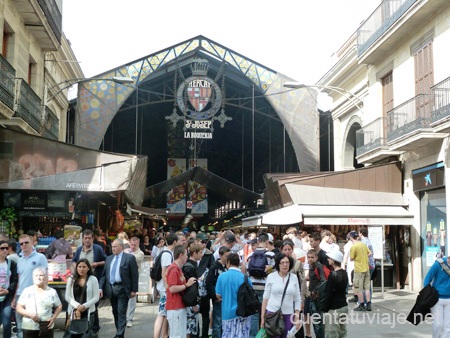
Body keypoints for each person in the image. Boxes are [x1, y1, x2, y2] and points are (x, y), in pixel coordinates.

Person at [99, 239, 139, 338]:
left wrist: (134, 290)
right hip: (111, 288)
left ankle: (120, 335)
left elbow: (134, 275)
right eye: (112, 247)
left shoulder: (129, 258)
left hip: (123, 288)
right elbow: (104, 275)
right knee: (115, 311)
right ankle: (119, 330)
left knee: (121, 311)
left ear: (121, 247)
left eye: (115, 246)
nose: (113, 248)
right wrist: (100, 288)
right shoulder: (109, 259)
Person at [71, 230, 107, 336]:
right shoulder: (79, 250)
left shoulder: (98, 249)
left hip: (93, 281)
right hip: (80, 281)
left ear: (92, 239)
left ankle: (94, 327)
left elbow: (106, 260)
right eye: (85, 238)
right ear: (82, 239)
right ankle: (81, 326)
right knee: (81, 302)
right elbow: (73, 260)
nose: (87, 240)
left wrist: (96, 264)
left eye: (89, 238)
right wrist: (75, 267)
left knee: (93, 304)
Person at [14, 234, 48, 338]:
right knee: (20, 326)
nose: (24, 245)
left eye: (26, 242)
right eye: (21, 244)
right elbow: (19, 279)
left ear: (32, 243)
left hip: (35, 295)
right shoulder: (19, 260)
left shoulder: (40, 257)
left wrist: (44, 293)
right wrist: (14, 297)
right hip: (20, 295)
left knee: (35, 326)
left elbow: (45, 276)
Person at [261, 253, 302, 338]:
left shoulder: (293, 277)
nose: (285, 265)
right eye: (282, 262)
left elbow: (297, 298)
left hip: (288, 314)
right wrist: (262, 317)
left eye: (287, 262)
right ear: (278, 264)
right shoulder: (271, 277)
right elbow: (265, 297)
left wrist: (297, 316)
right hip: (272, 314)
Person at [16, 267, 62, 338]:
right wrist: (30, 315)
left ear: (45, 277)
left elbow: (59, 306)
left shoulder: (51, 291)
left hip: (46, 326)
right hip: (29, 326)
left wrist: (54, 317)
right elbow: (19, 308)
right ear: (33, 277)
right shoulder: (27, 291)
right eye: (36, 276)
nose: (38, 278)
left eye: (41, 275)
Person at [215, 252, 252, 338]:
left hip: (227, 313)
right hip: (244, 313)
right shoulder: (245, 278)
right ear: (239, 263)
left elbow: (218, 295)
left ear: (228, 262)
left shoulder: (222, 276)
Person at [247, 232, 275, 337]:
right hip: (266, 289)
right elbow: (275, 273)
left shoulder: (250, 255)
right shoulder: (271, 255)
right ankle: (265, 335)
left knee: (254, 315)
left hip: (253, 288)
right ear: (267, 242)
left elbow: (247, 272)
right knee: (267, 314)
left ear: (258, 242)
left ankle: (254, 336)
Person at [166, 245, 197, 338]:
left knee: (181, 333)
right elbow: (172, 288)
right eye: (186, 254)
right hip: (175, 307)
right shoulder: (174, 269)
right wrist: (187, 285)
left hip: (179, 306)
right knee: (177, 334)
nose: (187, 256)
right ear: (180, 255)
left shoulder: (178, 269)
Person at [65, 259, 100, 338]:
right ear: (76, 268)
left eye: (84, 267)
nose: (81, 269)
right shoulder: (71, 279)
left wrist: (84, 306)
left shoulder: (93, 279)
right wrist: (77, 306)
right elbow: (67, 296)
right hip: (73, 312)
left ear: (88, 268)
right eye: (79, 267)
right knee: (72, 334)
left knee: (86, 334)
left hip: (88, 312)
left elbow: (96, 297)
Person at [153, 234, 178, 338]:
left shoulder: (166, 252)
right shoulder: (167, 254)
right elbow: (164, 273)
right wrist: (168, 287)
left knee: (164, 314)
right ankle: (156, 336)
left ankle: (164, 335)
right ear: (175, 242)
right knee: (161, 314)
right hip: (164, 288)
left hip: (163, 287)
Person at [205, 246, 230, 338]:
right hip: (218, 299)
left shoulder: (227, 267)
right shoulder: (214, 268)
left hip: (226, 299)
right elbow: (209, 283)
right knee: (217, 323)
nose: (228, 258)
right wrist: (215, 296)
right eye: (226, 256)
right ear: (220, 255)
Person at [423, 256, 450, 337]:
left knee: (448, 326)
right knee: (438, 324)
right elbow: (427, 280)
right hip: (437, 299)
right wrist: (429, 294)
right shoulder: (438, 264)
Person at [194, 232, 215, 338]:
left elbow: (212, 270)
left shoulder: (209, 255)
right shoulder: (191, 253)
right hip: (194, 290)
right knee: (194, 315)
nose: (204, 244)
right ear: (196, 241)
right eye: (202, 241)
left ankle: (205, 335)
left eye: (205, 242)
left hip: (205, 290)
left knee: (205, 314)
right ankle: (196, 335)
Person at [324, 250, 348, 338]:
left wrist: (325, 308)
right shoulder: (344, 273)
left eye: (330, 258)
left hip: (334, 308)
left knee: (332, 333)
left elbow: (329, 293)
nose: (328, 259)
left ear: (334, 260)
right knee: (342, 333)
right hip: (343, 306)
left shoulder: (333, 275)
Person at [0, 239, 19, 338]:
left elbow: (15, 280)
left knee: (7, 323)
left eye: (6, 248)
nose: (4, 250)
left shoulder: (12, 263)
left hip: (8, 296)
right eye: (2, 248)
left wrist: (9, 290)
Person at [349, 231, 372, 311]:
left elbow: (351, 259)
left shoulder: (354, 247)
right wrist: (364, 257)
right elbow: (370, 253)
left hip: (358, 269)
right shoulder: (363, 244)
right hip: (366, 268)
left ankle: (362, 305)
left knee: (358, 288)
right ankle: (369, 305)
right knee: (366, 288)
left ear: (351, 237)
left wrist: (357, 258)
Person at [307, 249, 326, 338]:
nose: (310, 259)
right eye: (308, 257)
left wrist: (315, 291)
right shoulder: (312, 266)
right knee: (316, 320)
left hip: (317, 297)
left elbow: (323, 281)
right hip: (313, 296)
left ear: (316, 257)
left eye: (312, 257)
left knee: (317, 321)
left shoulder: (318, 266)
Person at [125, 237, 144, 328]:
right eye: (131, 245)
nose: (132, 247)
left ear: (138, 244)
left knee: (132, 299)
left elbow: (130, 260)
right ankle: (123, 317)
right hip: (124, 278)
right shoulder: (126, 251)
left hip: (133, 278)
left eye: (134, 245)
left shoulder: (140, 254)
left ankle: (130, 319)